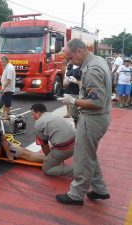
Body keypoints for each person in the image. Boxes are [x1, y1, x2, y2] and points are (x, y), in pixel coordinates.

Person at [57, 39, 112, 205]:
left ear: (80, 51)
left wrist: (72, 101)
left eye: (70, 58)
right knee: (89, 155)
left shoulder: (92, 70)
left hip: (92, 119)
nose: (70, 62)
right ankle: (99, 189)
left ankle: (76, 194)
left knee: (82, 157)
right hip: (100, 117)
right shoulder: (98, 60)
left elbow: (96, 102)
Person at [31, 103, 75, 177]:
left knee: (47, 169)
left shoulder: (38, 123)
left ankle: (79, 172)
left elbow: (44, 145)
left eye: (33, 114)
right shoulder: (53, 115)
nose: (32, 117)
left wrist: (50, 158)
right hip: (78, 142)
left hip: (66, 148)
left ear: (38, 113)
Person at [63, 63, 81, 127]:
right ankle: (76, 129)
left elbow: (87, 84)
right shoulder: (69, 66)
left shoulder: (83, 66)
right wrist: (66, 82)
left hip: (80, 94)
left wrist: (76, 81)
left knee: (81, 115)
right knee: (75, 115)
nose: (70, 60)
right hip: (71, 93)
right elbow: (64, 83)